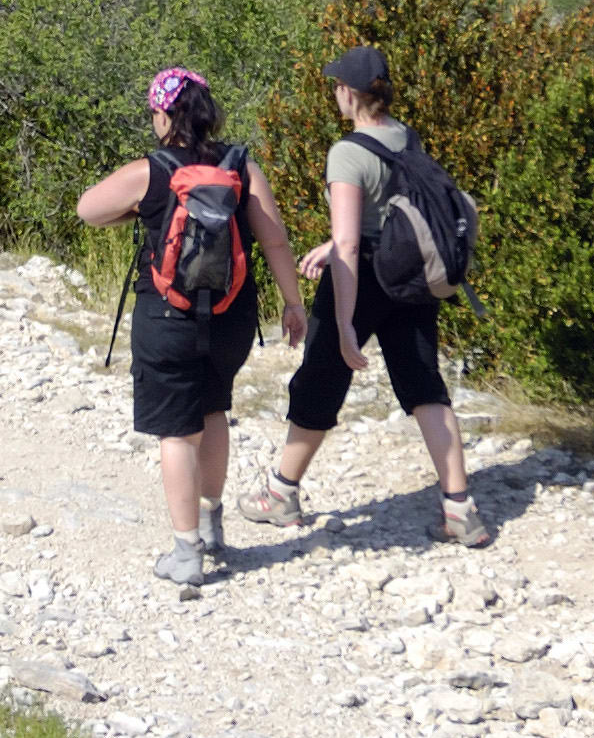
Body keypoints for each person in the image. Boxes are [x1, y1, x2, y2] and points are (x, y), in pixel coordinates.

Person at [236, 45, 493, 549]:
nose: (334, 93)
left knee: (319, 382)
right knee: (425, 387)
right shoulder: (407, 137)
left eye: (336, 86)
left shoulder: (348, 152)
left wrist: (347, 319)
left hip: (366, 278)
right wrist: (332, 246)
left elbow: (353, 243)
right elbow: (390, 217)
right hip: (412, 278)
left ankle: (281, 494)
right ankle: (460, 509)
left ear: (349, 93)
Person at [79, 69, 306, 586]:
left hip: (167, 319)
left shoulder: (151, 171)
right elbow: (274, 240)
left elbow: (87, 210)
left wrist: (138, 210)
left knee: (177, 434)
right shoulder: (240, 165)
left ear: (164, 115)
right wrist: (293, 304)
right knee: (214, 410)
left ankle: (186, 555)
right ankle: (212, 524)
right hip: (232, 318)